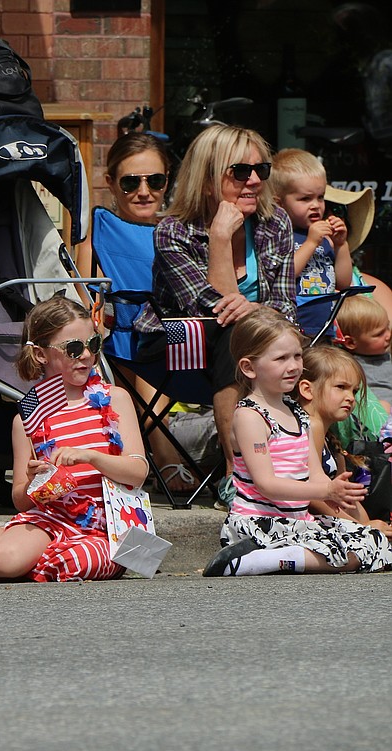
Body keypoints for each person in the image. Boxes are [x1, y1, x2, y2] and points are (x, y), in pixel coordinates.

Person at [134, 125, 298, 508]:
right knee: (235, 333)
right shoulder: (173, 232)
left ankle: (316, 468)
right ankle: (235, 471)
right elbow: (212, 310)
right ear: (208, 181)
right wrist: (221, 237)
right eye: (240, 172)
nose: (254, 181)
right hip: (177, 344)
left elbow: (286, 307)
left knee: (313, 354)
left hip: (261, 344)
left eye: (262, 171)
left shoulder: (275, 225)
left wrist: (256, 309)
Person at [0, 298, 148, 583]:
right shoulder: (29, 419)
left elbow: (138, 473)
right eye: (72, 348)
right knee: (4, 560)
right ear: (41, 355)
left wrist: (92, 457)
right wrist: (35, 483)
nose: (85, 355)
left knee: (79, 563)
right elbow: (21, 500)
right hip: (51, 517)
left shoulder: (115, 398)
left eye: (93, 345)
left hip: (107, 525)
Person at [202, 308, 392, 577]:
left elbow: (313, 474)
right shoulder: (249, 416)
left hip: (297, 521)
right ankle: (261, 560)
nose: (293, 366)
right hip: (260, 523)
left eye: (297, 355)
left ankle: (283, 557)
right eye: (281, 358)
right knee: (355, 552)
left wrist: (334, 489)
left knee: (377, 545)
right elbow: (266, 484)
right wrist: (325, 492)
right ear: (249, 367)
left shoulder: (298, 413)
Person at [74, 131, 195, 493]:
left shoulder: (180, 229)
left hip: (173, 335)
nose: (144, 191)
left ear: (167, 181)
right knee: (132, 353)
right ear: (111, 182)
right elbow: (85, 288)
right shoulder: (98, 225)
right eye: (131, 182)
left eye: (154, 180)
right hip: (118, 339)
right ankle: (164, 458)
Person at [295, 345, 390, 528]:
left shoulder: (330, 438)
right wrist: (361, 529)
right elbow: (311, 497)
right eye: (341, 387)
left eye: (354, 391)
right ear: (307, 389)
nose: (351, 398)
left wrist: (368, 523)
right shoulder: (310, 427)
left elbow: (348, 498)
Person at [270, 149, 353, 298]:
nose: (316, 205)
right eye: (305, 199)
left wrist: (341, 245)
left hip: (325, 318)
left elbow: (343, 283)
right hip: (295, 318)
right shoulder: (279, 235)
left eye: (320, 197)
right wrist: (311, 242)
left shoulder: (325, 238)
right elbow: (284, 274)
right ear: (279, 203)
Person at [335, 294, 392, 407]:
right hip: (377, 417)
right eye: (379, 334)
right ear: (350, 343)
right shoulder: (350, 367)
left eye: (388, 327)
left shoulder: (384, 353)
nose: (388, 335)